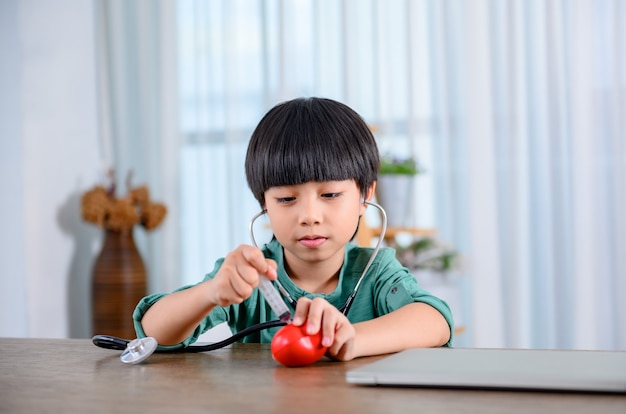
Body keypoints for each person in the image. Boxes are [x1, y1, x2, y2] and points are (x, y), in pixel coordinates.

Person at [133, 97, 454, 361]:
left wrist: (352, 337)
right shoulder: (250, 276)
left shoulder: (377, 273)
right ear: (264, 204)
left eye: (330, 195)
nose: (309, 216)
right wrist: (210, 293)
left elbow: (434, 320)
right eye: (286, 198)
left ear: (365, 196)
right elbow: (154, 333)